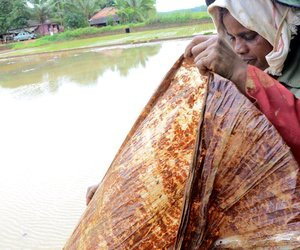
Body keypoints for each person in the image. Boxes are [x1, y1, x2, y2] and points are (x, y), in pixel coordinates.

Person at [86, 0, 300, 205]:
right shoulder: (230, 75)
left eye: (249, 36)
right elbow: (182, 145)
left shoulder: (241, 71)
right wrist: (117, 187)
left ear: (277, 28)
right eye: (232, 38)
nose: (239, 49)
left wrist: (241, 74)